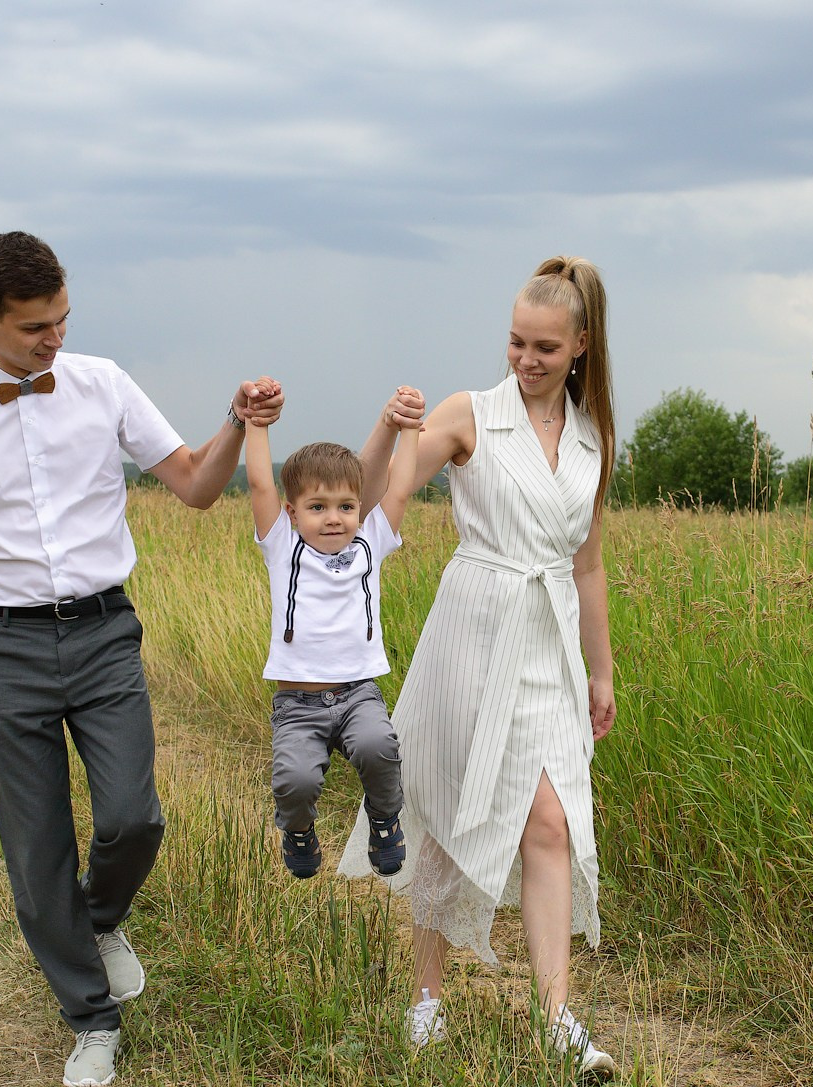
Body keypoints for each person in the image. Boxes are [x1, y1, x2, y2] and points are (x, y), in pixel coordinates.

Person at [0, 231, 283, 1087]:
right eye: (34, 330)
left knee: (135, 817)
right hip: (5, 647)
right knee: (35, 850)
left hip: (103, 633)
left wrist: (235, 422)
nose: (54, 338)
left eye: (62, 319)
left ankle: (97, 917)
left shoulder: (105, 384)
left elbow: (197, 488)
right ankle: (92, 1019)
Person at [339, 257, 620, 1076]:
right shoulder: (472, 413)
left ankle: (556, 1018)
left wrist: (601, 670)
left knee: (552, 821)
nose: (526, 360)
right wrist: (389, 427)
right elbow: (368, 498)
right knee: (450, 810)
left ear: (579, 346)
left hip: (550, 643)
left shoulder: (594, 437)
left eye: (543, 347)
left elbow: (590, 563)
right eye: (515, 342)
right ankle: (425, 997)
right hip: (474, 627)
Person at [241, 387, 426, 879]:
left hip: (357, 694)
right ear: (292, 512)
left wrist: (409, 429)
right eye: (318, 507)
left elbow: (401, 487)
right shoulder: (283, 547)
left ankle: (385, 822)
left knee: (379, 748)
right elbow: (260, 484)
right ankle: (299, 831)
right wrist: (256, 424)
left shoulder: (372, 539)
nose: (334, 518)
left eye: (346, 506)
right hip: (298, 703)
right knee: (295, 781)